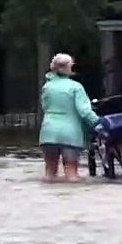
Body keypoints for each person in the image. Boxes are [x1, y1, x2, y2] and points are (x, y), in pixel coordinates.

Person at [39, 53, 101, 183]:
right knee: (71, 173)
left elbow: (45, 107)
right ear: (69, 67)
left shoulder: (47, 87)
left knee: (50, 173)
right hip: (70, 134)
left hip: (48, 132)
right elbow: (84, 111)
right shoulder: (76, 87)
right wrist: (98, 123)